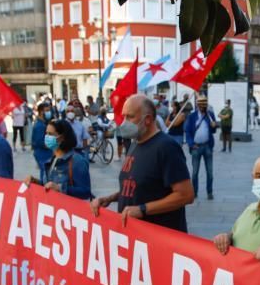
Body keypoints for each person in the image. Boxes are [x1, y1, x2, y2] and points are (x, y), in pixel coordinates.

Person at [90, 94, 194, 232]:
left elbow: (186, 195)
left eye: (130, 117)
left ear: (148, 119)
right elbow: (138, 188)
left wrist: (143, 209)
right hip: (136, 239)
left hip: (159, 237)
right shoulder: (135, 144)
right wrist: (110, 198)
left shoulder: (166, 147)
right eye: (124, 116)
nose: (124, 122)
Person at [24, 119, 92, 200]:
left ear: (62, 137)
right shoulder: (51, 159)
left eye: (50, 134)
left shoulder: (77, 161)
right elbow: (48, 185)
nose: (47, 137)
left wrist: (61, 188)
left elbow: (86, 192)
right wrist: (35, 182)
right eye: (46, 133)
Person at [184, 96, 217, 200]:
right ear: (197, 105)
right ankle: (194, 192)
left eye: (204, 105)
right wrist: (191, 144)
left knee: (210, 172)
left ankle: (210, 192)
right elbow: (188, 131)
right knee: (195, 172)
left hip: (207, 146)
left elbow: (213, 131)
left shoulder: (210, 115)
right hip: (196, 147)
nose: (203, 107)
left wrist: (214, 126)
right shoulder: (192, 116)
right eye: (201, 105)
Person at [31, 102, 53, 184]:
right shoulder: (40, 126)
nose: (49, 112)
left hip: (44, 153)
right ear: (41, 112)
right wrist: (52, 145)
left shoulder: (43, 124)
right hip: (42, 153)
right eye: (47, 110)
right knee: (45, 175)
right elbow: (40, 142)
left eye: (49, 110)